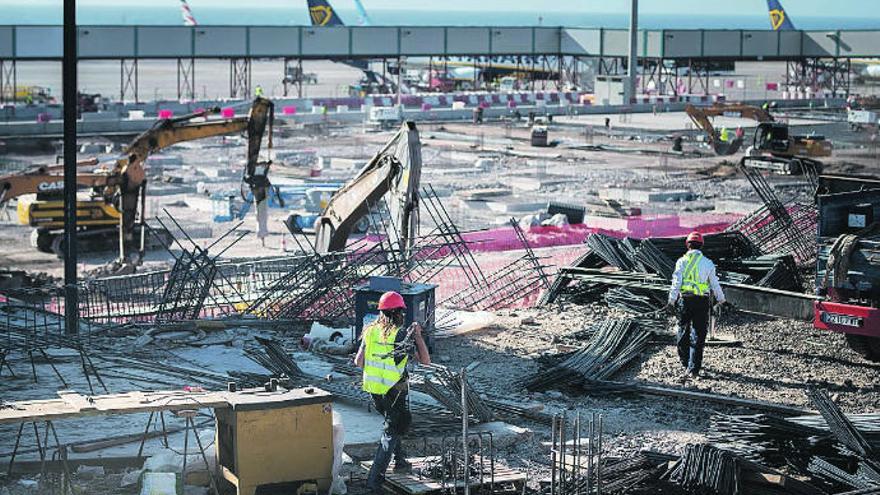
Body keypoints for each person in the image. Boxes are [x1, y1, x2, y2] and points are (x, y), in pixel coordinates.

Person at [355, 291, 431, 494]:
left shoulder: (370, 330)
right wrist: (417, 336)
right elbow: (425, 361)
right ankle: (373, 482)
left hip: (374, 391)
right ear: (397, 313)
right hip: (394, 392)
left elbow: (358, 361)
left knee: (394, 425)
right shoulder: (399, 335)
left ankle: (400, 461)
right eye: (402, 313)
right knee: (390, 433)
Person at [664, 232, 726, 382]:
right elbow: (714, 284)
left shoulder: (681, 262)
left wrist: (671, 301)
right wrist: (721, 299)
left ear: (687, 244)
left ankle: (685, 362)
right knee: (699, 334)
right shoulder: (708, 263)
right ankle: (694, 368)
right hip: (701, 302)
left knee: (683, 330)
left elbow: (676, 283)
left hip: (685, 300)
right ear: (702, 245)